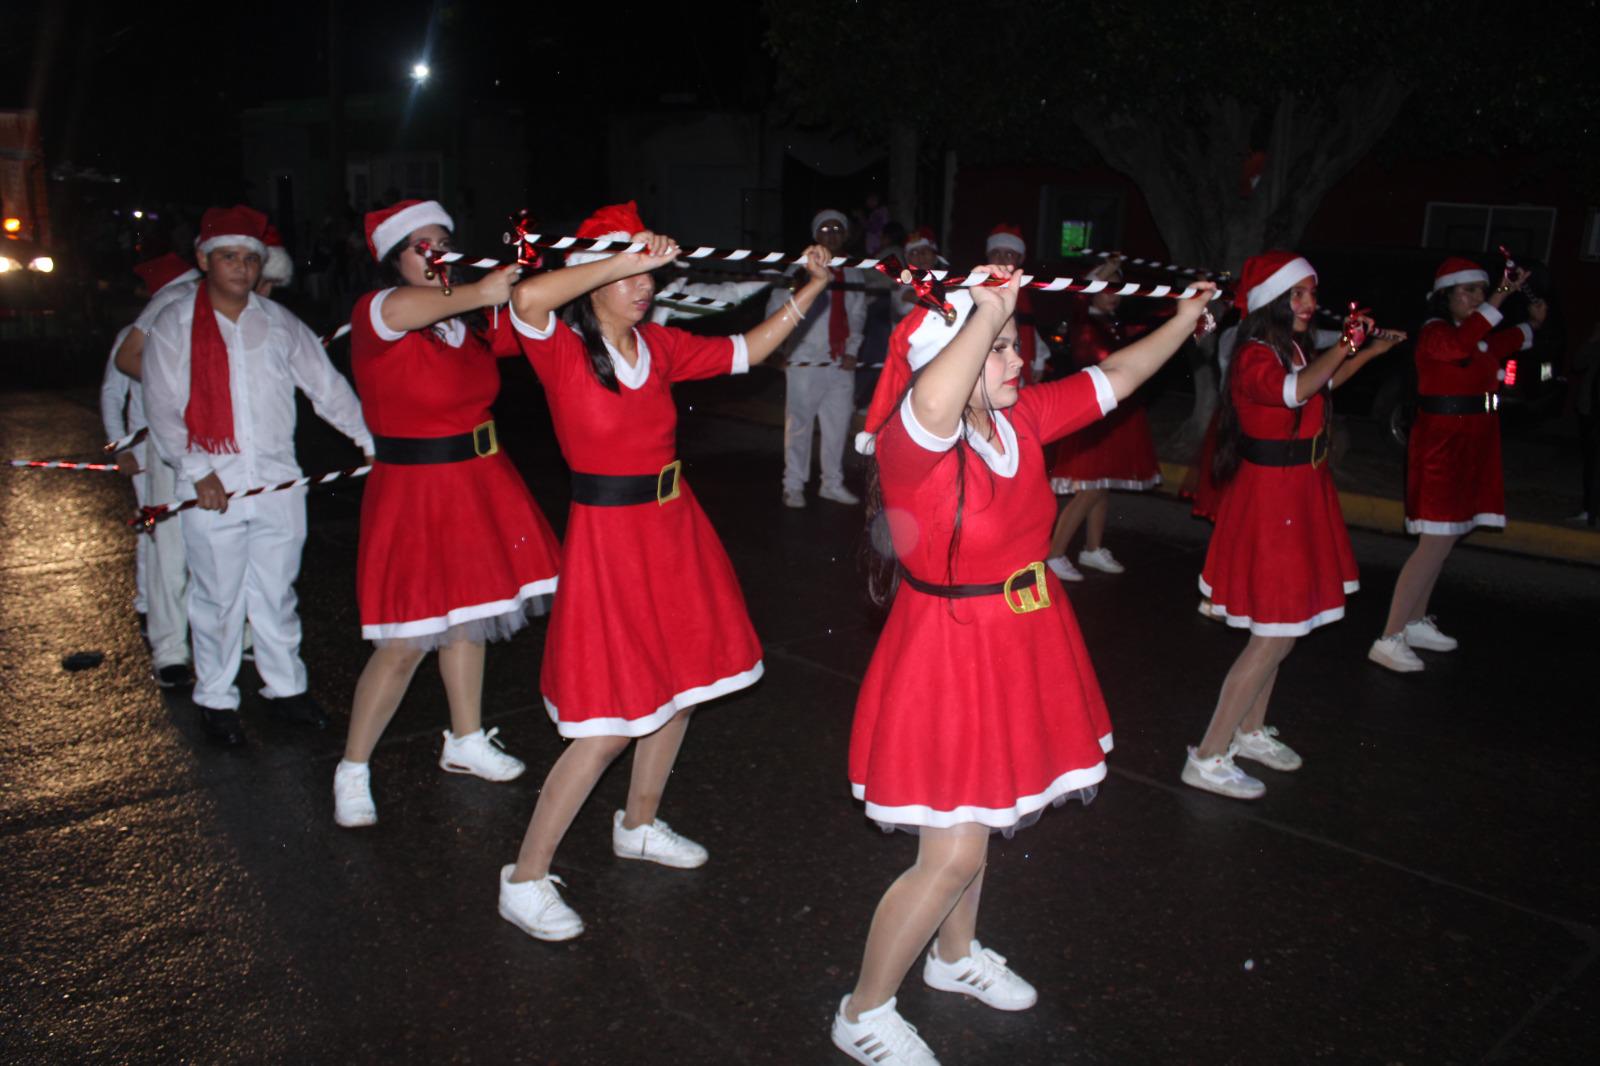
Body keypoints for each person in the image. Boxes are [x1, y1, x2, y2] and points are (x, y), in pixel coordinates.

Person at [832, 265, 1215, 1065]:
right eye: (1001, 351)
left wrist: (1185, 321)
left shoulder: (1020, 418)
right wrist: (987, 312)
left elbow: (1115, 375)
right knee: (955, 851)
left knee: (986, 810)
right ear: (957, 359)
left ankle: (953, 957)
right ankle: (863, 1010)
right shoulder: (914, 438)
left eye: (1013, 347)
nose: (1019, 362)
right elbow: (936, 401)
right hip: (947, 650)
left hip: (1019, 637)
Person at [497, 202, 832, 940]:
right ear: (597, 276)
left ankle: (638, 823)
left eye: (653, 274)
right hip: (609, 543)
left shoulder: (661, 346)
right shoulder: (558, 345)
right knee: (608, 724)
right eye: (632, 275)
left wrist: (807, 288)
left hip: (675, 528)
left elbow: (748, 350)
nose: (646, 285)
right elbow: (524, 297)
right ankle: (523, 878)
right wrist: (625, 256)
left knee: (680, 690)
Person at [331, 200, 563, 828]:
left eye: (443, 241)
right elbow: (419, 307)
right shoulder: (382, 312)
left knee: (469, 619)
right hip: (414, 492)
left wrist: (609, 270)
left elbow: (535, 309)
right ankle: (352, 767)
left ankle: (464, 739)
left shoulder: (469, 323)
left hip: (478, 483)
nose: (435, 254)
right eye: (419, 246)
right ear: (393, 259)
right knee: (406, 640)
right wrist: (484, 291)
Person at [142, 205, 374, 747]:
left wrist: (368, 441)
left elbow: (325, 387)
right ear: (204, 259)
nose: (241, 268)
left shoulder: (278, 323)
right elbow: (161, 406)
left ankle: (285, 689)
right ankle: (217, 699)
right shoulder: (175, 323)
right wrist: (198, 471)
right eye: (229, 257)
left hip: (276, 482)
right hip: (210, 488)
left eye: (251, 258)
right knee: (218, 599)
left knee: (275, 592)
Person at [1183, 252, 1399, 799]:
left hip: (1300, 494)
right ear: (1272, 301)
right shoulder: (1255, 354)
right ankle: (1207, 754)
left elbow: (1320, 384)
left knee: (1285, 630)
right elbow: (1295, 391)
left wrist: (1367, 352)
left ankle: (1250, 730)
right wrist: (1347, 346)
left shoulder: (1292, 347)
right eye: (1297, 294)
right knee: (1273, 633)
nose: (1308, 303)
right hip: (1271, 500)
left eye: (1310, 293)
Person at [1367, 257, 1546, 671]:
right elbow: (1461, 346)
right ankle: (1388, 636)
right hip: (1441, 447)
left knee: (1444, 541)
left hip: (1470, 444)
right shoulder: (1436, 334)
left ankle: (1413, 622)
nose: (1477, 298)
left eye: (1481, 291)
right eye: (1467, 291)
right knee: (1432, 544)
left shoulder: (1472, 334)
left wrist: (1531, 326)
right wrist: (1502, 297)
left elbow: (1494, 344)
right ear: (1444, 297)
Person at [102, 254, 201, 688]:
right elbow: (113, 391)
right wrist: (119, 446)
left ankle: (232, 635)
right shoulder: (155, 319)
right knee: (161, 544)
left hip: (207, 451)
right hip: (155, 450)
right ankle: (165, 640)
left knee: (213, 552)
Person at [1045, 257, 1167, 579]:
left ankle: (1092, 549)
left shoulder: (1111, 322)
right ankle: (1054, 553)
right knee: (1090, 488)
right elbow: (1105, 359)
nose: (1114, 294)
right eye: (1107, 287)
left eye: (1118, 288)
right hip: (1096, 412)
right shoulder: (1085, 323)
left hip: (1117, 412)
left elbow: (1144, 334)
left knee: (1102, 485)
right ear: (1094, 289)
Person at [770, 209, 864, 509]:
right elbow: (777, 308)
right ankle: (793, 484)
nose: (832, 234)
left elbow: (858, 314)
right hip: (804, 359)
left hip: (839, 363)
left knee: (837, 427)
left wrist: (852, 350)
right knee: (799, 426)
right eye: (825, 229)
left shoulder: (854, 270)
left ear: (845, 234)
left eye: (838, 228)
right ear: (815, 234)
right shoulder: (799, 269)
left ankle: (831, 483)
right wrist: (779, 348)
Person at [983, 224, 1051, 383]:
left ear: (1020, 259)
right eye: (995, 253)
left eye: (1009, 254)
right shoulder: (976, 288)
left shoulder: (1023, 294)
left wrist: (1039, 360)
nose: (1001, 259)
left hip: (1017, 367)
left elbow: (1029, 329)